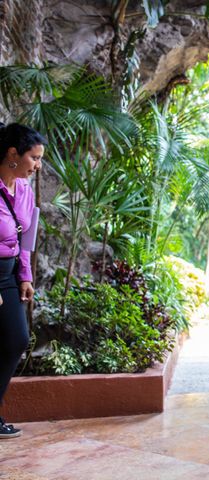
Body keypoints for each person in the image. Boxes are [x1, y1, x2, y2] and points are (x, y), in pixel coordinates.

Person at [0, 122, 47, 438]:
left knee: (17, 339)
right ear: (13, 154)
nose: (38, 166)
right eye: (34, 158)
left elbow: (27, 238)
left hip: (9, 273)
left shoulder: (26, 192)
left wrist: (25, 277)